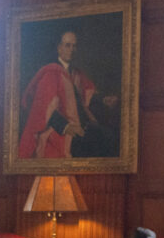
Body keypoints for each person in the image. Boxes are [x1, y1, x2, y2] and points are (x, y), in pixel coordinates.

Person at [17, 31, 117, 159]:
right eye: (67, 45)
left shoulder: (76, 74)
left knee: (109, 137)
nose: (71, 50)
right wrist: (66, 127)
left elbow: (85, 97)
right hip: (57, 130)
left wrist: (103, 99)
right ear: (59, 48)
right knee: (93, 144)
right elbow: (42, 110)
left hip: (81, 126)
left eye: (74, 46)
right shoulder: (51, 73)